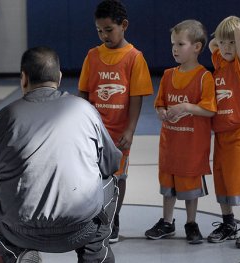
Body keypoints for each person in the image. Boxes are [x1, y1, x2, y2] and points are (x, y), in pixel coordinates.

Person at [0, 46, 122, 263]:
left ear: (23, 78)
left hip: (19, 230)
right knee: (110, 181)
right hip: (81, 227)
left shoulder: (3, 118)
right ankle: (94, 253)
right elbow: (111, 163)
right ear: (59, 78)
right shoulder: (86, 110)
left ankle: (19, 254)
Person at [78, 0, 153, 243]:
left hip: (120, 134)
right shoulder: (92, 55)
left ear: (124, 25)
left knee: (118, 179)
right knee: (93, 178)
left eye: (108, 29)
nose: (104, 35)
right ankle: (95, 216)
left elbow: (136, 98)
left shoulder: (134, 57)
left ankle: (114, 218)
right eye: (99, 30)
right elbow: (84, 95)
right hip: (95, 133)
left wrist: (130, 129)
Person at [144, 20, 216, 244]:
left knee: (189, 188)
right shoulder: (167, 75)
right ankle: (167, 222)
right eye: (173, 44)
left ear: (196, 47)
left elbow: (209, 109)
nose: (174, 48)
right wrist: (161, 112)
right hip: (170, 145)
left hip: (192, 147)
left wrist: (185, 107)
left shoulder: (204, 77)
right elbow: (159, 104)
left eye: (180, 44)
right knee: (168, 188)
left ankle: (191, 223)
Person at [207, 16, 240, 249]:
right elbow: (212, 45)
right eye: (223, 43)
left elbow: (238, 32)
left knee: (239, 183)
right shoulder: (220, 62)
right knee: (223, 182)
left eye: (232, 43)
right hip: (221, 134)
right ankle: (228, 223)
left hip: (239, 134)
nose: (226, 48)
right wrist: (223, 38)